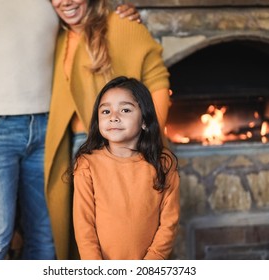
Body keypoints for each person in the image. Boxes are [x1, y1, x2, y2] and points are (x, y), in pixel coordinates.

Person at [0, 0, 140, 260]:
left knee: (46, 236)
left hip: (48, 131)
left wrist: (122, 12)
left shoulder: (53, 1)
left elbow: (87, 16)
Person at [45, 0, 172, 259]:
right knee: (81, 239)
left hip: (121, 148)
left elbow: (158, 83)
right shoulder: (55, 37)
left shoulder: (124, 25)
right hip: (70, 150)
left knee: (131, 238)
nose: (65, 1)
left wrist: (144, 141)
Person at [71, 76, 180, 259]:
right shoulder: (87, 165)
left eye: (125, 109)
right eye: (106, 111)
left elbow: (169, 222)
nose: (114, 117)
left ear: (144, 120)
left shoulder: (163, 164)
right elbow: (84, 226)